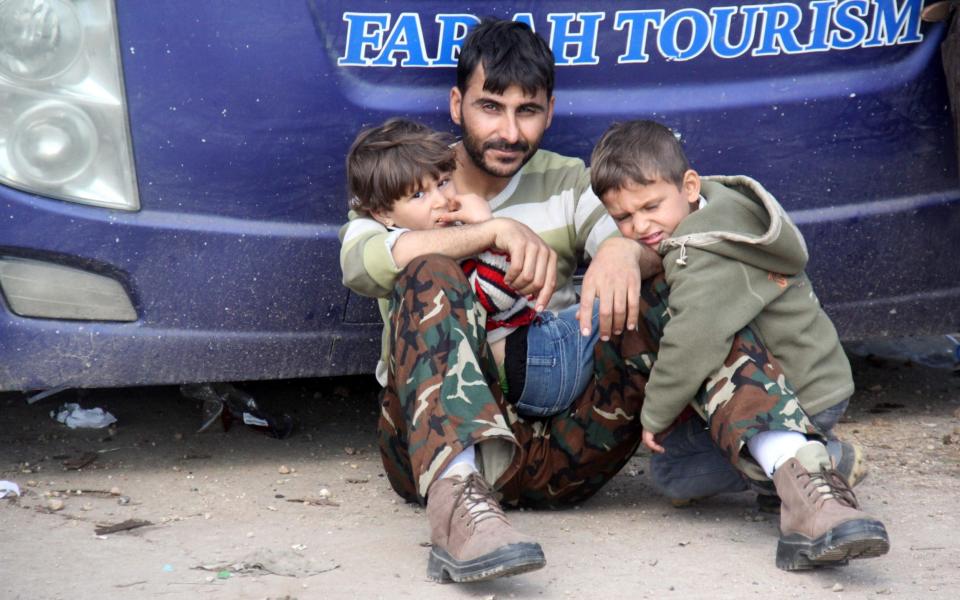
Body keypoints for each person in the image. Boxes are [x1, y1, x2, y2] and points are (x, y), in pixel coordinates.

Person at [339, 18, 843, 583]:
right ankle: (461, 507)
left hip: (569, 447)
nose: (508, 130)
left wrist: (622, 254)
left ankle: (803, 481)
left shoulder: (569, 181)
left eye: (526, 111)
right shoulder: (406, 184)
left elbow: (648, 240)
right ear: (457, 105)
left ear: (549, 113)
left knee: (675, 279)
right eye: (490, 107)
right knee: (428, 267)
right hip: (429, 452)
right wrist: (490, 233)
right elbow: (363, 262)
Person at [590, 119, 890, 570]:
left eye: (650, 206)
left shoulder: (703, 253)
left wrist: (655, 413)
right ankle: (825, 460)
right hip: (807, 384)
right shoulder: (722, 210)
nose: (640, 226)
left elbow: (693, 341)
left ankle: (809, 492)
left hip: (798, 395)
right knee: (673, 474)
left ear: (689, 186)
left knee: (693, 336)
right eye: (623, 218)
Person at [345, 117, 601, 418]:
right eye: (418, 195)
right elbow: (497, 295)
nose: (440, 200)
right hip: (528, 369)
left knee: (616, 301)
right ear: (383, 215)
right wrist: (487, 229)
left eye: (442, 182)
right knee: (603, 312)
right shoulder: (427, 254)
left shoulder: (449, 230)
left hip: (521, 369)